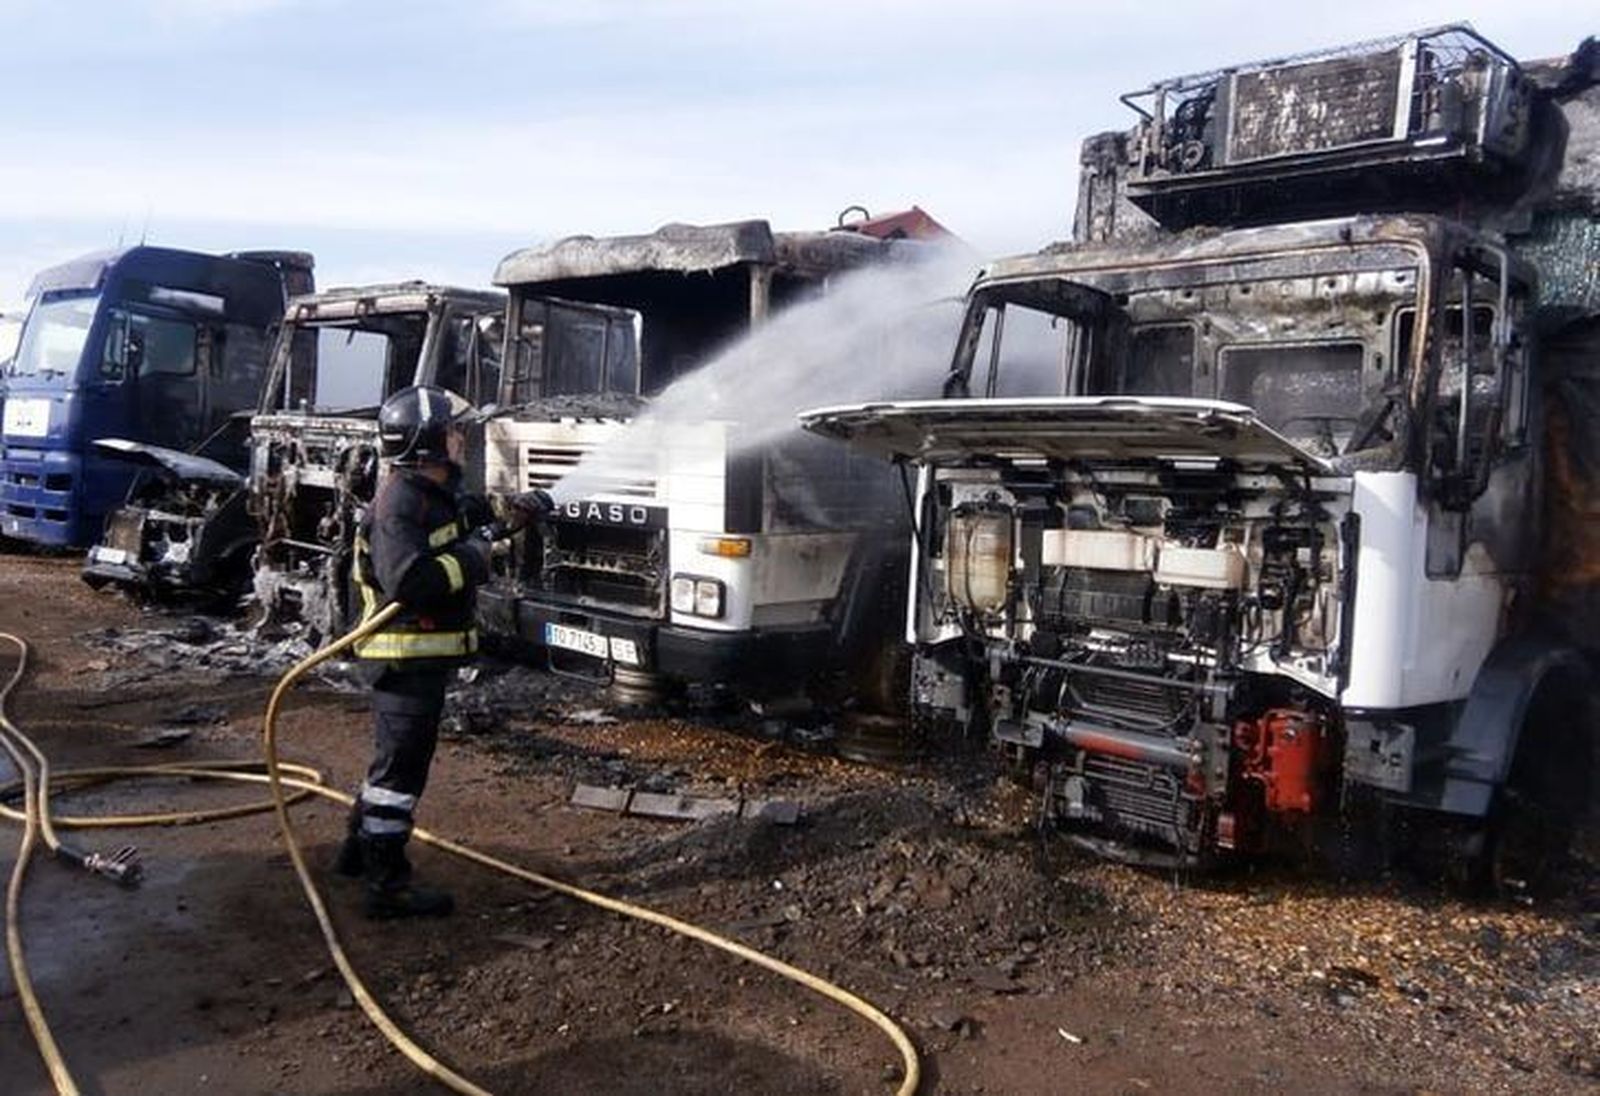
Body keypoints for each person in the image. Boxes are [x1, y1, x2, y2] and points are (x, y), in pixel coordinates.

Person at [333, 385, 547, 919]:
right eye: (453, 431)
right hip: (402, 659)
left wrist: (512, 515)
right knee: (401, 774)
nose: (460, 439)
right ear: (427, 443)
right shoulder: (398, 504)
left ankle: (357, 852)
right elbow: (411, 580)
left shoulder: (433, 492)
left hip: (419, 659)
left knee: (393, 759)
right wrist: (476, 558)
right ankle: (387, 886)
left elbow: (471, 518)